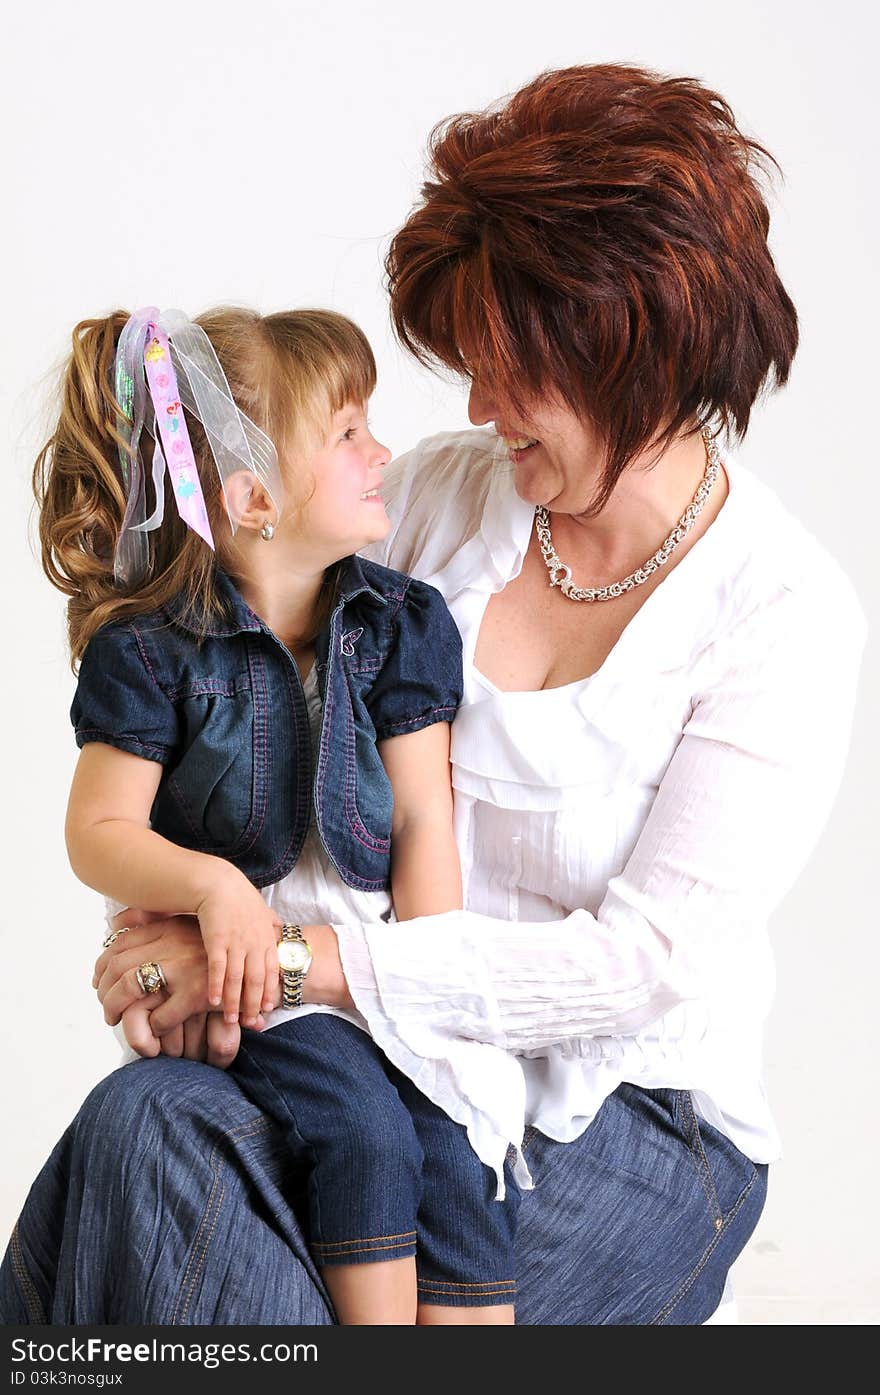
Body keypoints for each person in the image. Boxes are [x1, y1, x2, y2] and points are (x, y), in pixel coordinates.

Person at [1, 63, 867, 1326]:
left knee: (240, 1268)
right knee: (141, 1124)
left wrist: (292, 963)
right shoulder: (430, 507)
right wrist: (171, 945)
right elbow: (228, 686)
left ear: (632, 343)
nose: (472, 407)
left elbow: (638, 966)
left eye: (511, 366)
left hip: (619, 1113)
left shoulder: (781, 615)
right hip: (358, 1058)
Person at [31, 303, 524, 1325]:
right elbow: (99, 833)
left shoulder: (398, 625)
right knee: (363, 1133)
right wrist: (213, 888)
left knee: (454, 1139)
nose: (381, 450)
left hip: (376, 963)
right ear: (254, 499)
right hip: (261, 979)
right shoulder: (154, 649)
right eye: (348, 434)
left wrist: (430, 990)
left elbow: (424, 822)